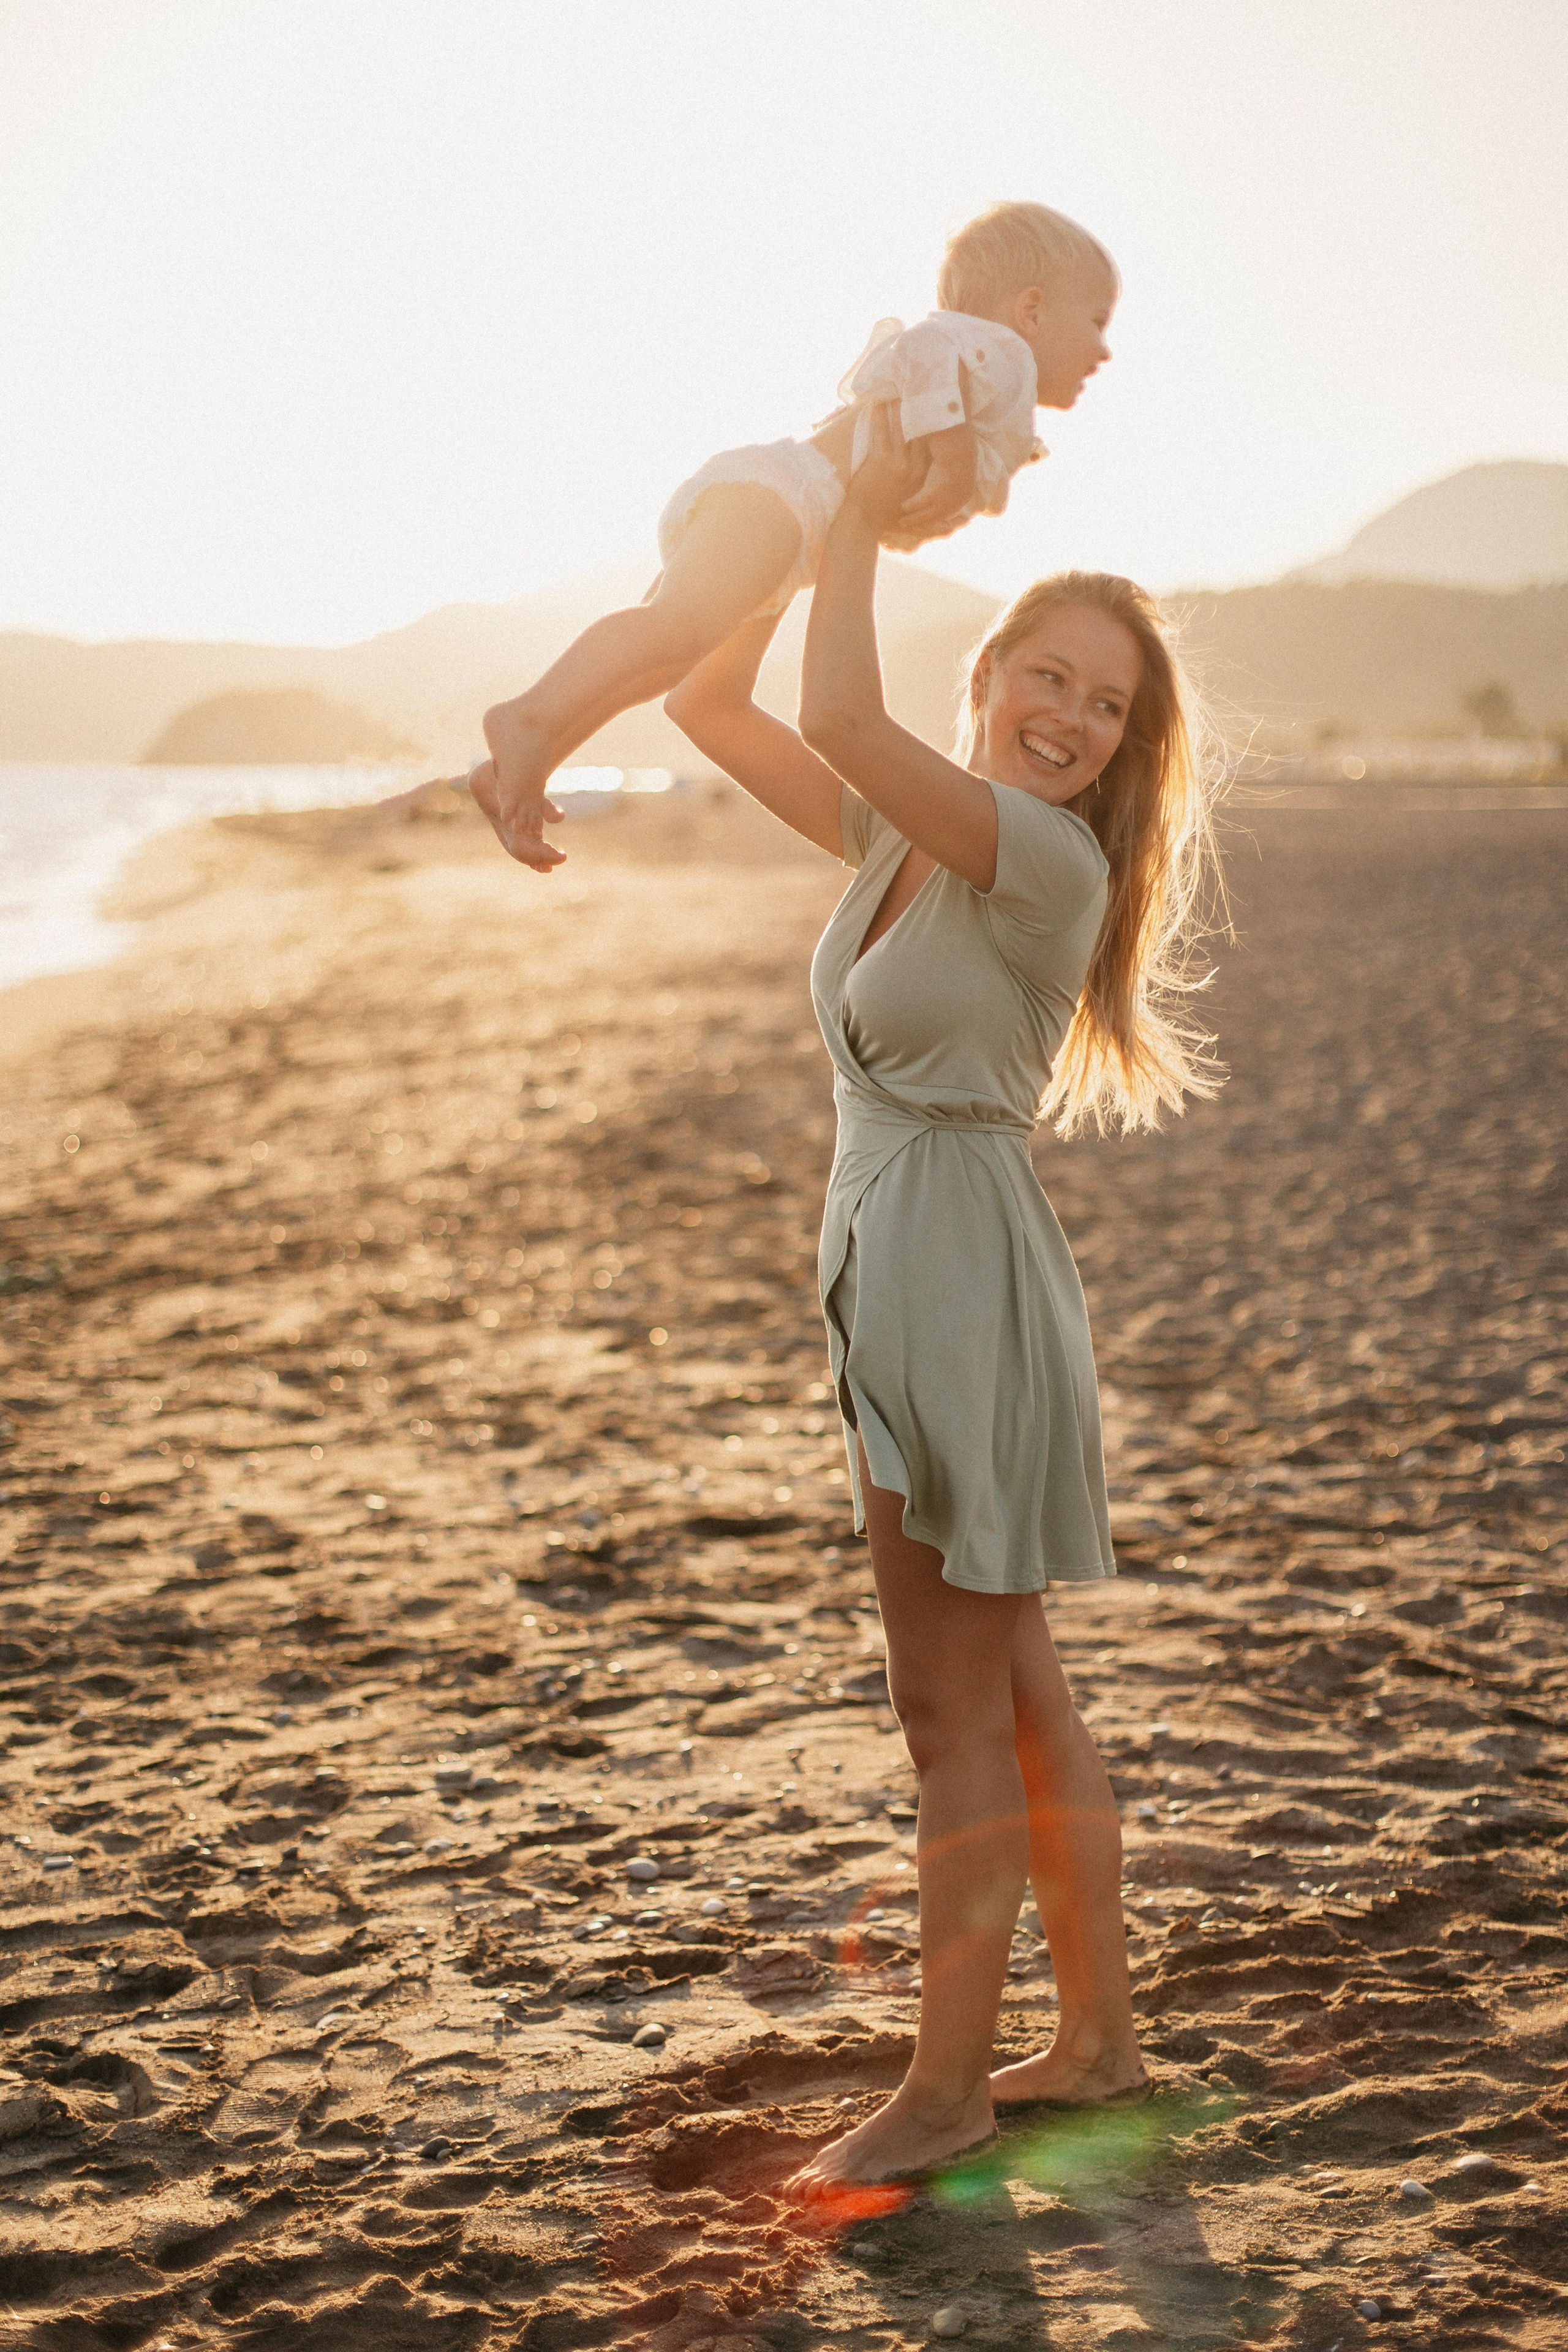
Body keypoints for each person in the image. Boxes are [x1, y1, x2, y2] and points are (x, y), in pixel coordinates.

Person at [662, 408, 1225, 2190]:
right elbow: (710, 704)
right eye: (1045, 676)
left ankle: (949, 2088)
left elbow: (840, 711)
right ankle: (1102, 2037)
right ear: (985, 673)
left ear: (1122, 745)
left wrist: (854, 519)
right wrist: (788, 516)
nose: (1068, 717)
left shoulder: (1036, 857)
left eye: (1105, 706)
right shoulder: (901, 834)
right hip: (911, 1261)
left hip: (954, 1282)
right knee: (1024, 1690)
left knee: (949, 1714)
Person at [469, 201, 1118, 873]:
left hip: (792, 527)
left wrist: (909, 512)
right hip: (782, 493)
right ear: (1032, 310)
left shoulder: (997, 389)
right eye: (1096, 321)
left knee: (668, 661)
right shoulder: (990, 351)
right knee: (675, 627)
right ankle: (529, 715)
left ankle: (525, 763)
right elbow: (921, 346)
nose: (1104, 349)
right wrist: (951, 460)